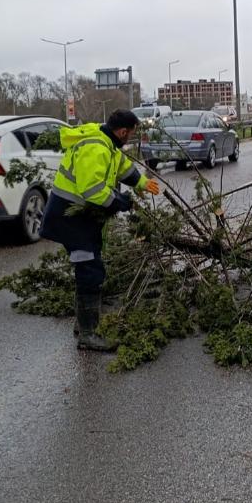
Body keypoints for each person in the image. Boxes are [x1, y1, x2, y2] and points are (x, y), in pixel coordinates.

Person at [39, 109, 162, 351]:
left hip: (79, 216)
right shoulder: (96, 148)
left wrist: (141, 182)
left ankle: (83, 324)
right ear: (123, 131)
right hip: (70, 217)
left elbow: (122, 166)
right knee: (90, 270)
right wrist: (121, 202)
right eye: (131, 134)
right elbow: (92, 190)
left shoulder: (106, 142)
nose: (130, 138)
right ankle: (88, 334)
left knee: (89, 266)